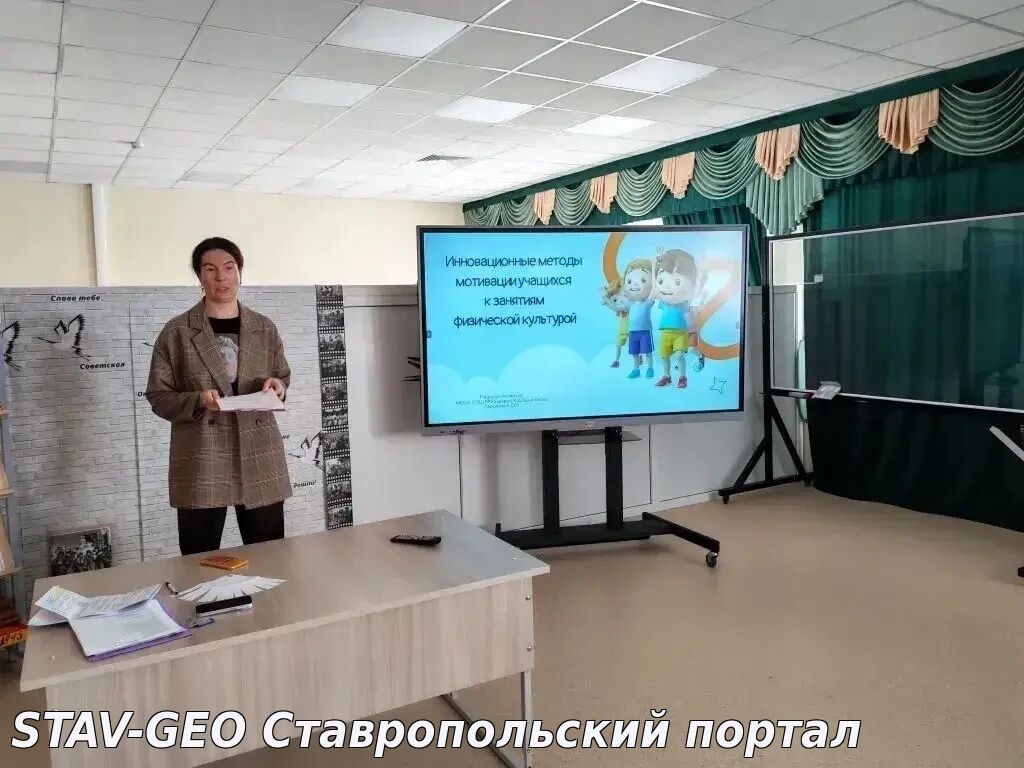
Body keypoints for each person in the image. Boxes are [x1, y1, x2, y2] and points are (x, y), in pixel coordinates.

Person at [146, 237, 292, 556]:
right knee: (199, 560)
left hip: (259, 452)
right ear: (200, 277)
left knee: (271, 558)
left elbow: (281, 376)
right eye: (210, 269)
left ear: (240, 272)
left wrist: (278, 386)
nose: (221, 277)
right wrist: (199, 400)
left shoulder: (264, 328)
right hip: (202, 454)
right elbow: (158, 396)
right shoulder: (177, 332)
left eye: (229, 268)